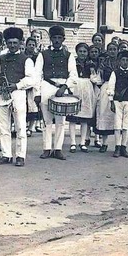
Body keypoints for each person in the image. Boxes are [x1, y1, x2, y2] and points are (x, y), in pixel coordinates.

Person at [0, 27, 36, 167]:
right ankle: (6, 154)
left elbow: (31, 79)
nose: (12, 45)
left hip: (17, 94)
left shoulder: (26, 59)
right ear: (6, 43)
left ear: (20, 43)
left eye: (15, 43)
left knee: (20, 126)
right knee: (3, 127)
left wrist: (16, 85)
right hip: (2, 94)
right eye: (9, 43)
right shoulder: (2, 58)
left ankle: (20, 155)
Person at [35, 25, 78, 160]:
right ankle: (47, 148)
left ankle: (58, 149)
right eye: (54, 38)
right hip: (47, 86)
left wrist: (65, 87)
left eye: (60, 38)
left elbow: (73, 75)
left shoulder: (69, 55)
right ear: (50, 39)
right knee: (47, 121)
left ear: (63, 39)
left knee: (61, 121)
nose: (57, 40)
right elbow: (37, 75)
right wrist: (37, 93)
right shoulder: (43, 55)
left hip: (62, 88)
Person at [68, 43, 99, 153]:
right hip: (76, 87)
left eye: (85, 51)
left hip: (86, 89)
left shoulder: (91, 64)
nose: (82, 53)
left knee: (84, 117)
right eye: (80, 51)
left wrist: (93, 76)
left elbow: (95, 78)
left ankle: (82, 142)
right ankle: (72, 142)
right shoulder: (73, 63)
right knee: (72, 117)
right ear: (77, 52)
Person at [95, 42, 119, 153]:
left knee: (118, 117)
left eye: (114, 49)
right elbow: (99, 78)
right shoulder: (104, 63)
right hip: (106, 87)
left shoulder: (122, 62)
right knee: (105, 113)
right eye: (110, 49)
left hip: (119, 88)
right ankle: (104, 143)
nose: (112, 51)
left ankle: (119, 145)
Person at [24, 37, 41, 137]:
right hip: (24, 81)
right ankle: (23, 126)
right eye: (29, 44)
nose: (31, 46)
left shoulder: (37, 56)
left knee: (33, 105)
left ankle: (30, 127)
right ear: (26, 45)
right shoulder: (23, 55)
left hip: (33, 82)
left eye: (33, 45)